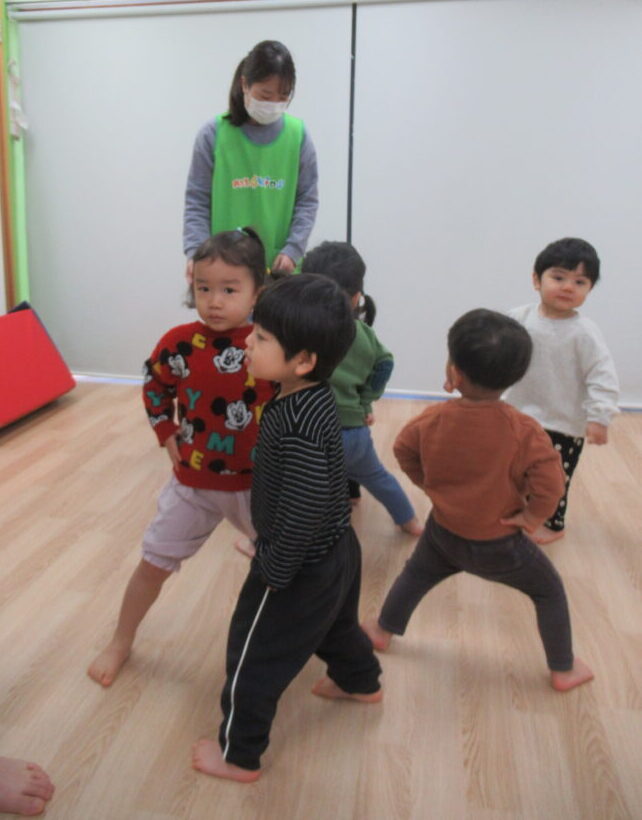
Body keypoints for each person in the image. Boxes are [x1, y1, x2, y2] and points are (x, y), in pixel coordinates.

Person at [192, 274, 382, 783]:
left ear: (303, 361)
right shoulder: (310, 396)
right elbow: (313, 493)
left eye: (260, 338)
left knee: (253, 654)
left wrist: (273, 567)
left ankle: (238, 755)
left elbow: (305, 502)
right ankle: (361, 681)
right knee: (336, 627)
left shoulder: (295, 423)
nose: (247, 344)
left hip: (300, 566)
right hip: (337, 547)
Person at [363, 309, 593, 693]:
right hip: (500, 542)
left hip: (444, 531)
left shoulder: (431, 419)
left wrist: (429, 485)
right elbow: (552, 484)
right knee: (548, 590)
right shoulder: (524, 430)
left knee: (415, 575)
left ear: (453, 372)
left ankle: (382, 631)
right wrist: (531, 517)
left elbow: (403, 450)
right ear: (515, 378)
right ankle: (563, 668)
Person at [87, 228, 274, 687]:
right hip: (192, 485)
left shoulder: (268, 344)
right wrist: (164, 429)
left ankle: (310, 644)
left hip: (260, 488)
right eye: (204, 289)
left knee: (289, 572)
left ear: (257, 292)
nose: (214, 301)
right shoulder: (179, 343)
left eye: (229, 290)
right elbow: (155, 384)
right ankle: (121, 639)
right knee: (153, 564)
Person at [302, 241, 422, 536]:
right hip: (354, 432)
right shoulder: (364, 333)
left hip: (313, 432)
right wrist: (366, 400)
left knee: (304, 487)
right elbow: (385, 364)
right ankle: (409, 521)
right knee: (378, 477)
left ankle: (309, 533)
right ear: (356, 297)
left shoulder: (301, 331)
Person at [504, 238, 619, 544]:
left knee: (553, 479)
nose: (568, 287)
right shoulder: (519, 318)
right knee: (513, 469)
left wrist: (599, 417)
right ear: (536, 280)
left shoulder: (585, 333)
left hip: (562, 423)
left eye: (580, 282)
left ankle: (553, 524)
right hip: (517, 414)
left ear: (589, 289)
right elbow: (495, 349)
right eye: (558, 277)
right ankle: (521, 508)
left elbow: (602, 376)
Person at [183, 40, 318, 276]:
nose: (273, 104)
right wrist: (197, 254)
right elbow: (197, 201)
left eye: (283, 96)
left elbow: (307, 200)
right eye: (265, 95)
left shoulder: (298, 136)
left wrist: (293, 249)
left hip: (278, 269)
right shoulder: (213, 134)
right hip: (222, 267)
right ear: (245, 84)